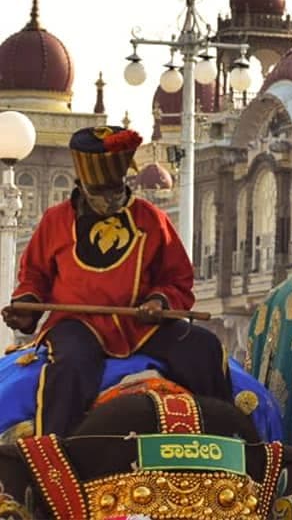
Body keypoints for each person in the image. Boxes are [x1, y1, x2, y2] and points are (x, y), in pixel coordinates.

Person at [1, 126, 233, 436]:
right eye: (98, 193)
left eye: (113, 190)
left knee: (204, 347)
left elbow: (177, 278)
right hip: (76, 322)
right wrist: (26, 306)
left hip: (141, 324)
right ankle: (52, 451)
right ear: (81, 185)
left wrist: (158, 302)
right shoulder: (55, 220)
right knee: (70, 366)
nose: (107, 200)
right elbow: (34, 276)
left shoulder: (151, 218)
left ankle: (226, 439)